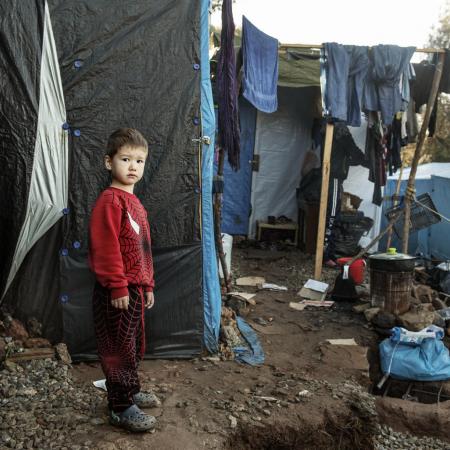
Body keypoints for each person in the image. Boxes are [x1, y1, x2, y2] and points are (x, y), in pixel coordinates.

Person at [89, 128, 159, 432]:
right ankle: (120, 407)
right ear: (109, 162)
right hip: (115, 290)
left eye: (140, 161)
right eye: (126, 159)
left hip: (134, 289)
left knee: (132, 345)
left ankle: (128, 391)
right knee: (118, 348)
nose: (133, 166)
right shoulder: (110, 201)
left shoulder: (136, 204)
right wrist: (117, 284)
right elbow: (106, 247)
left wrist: (147, 285)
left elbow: (142, 251)